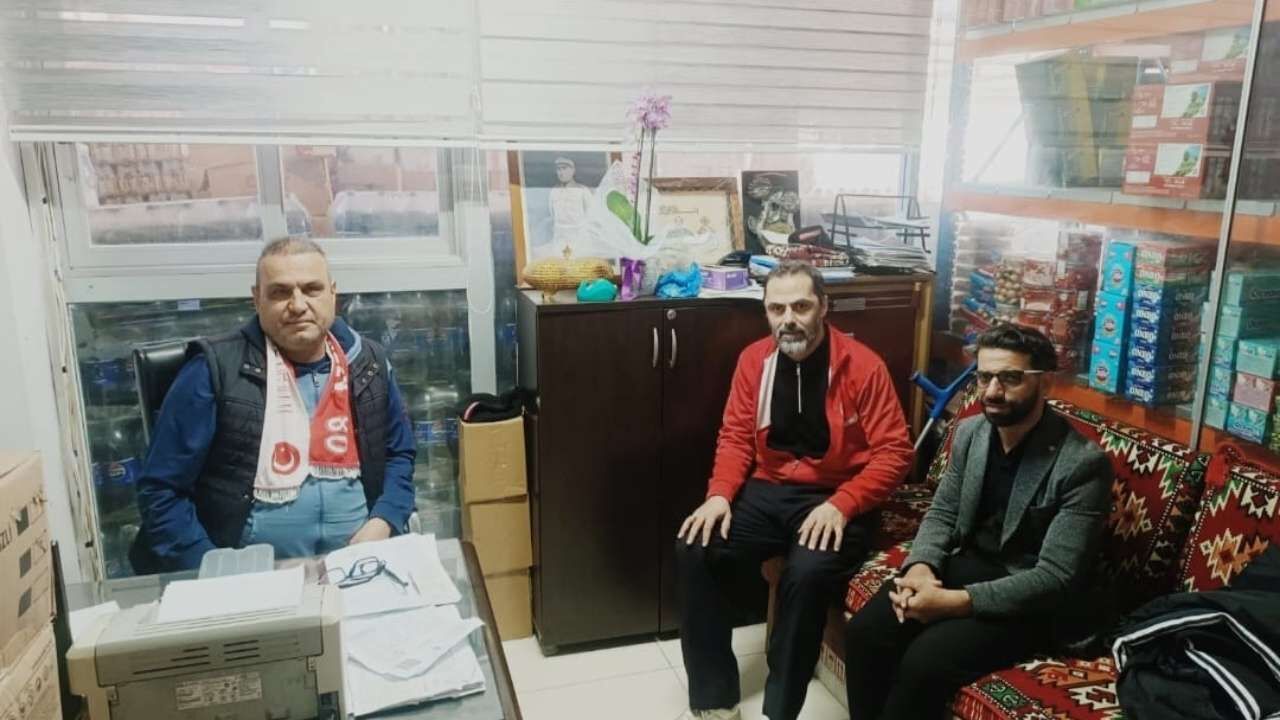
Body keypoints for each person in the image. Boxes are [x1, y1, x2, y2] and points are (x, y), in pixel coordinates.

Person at [676, 261, 915, 720]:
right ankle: (714, 699)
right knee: (695, 547)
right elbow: (735, 437)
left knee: (806, 576)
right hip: (769, 489)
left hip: (838, 496)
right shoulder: (753, 360)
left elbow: (894, 453)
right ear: (766, 312)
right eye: (777, 308)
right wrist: (720, 494)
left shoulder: (863, 365)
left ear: (824, 307)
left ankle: (780, 710)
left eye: (801, 306)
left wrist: (843, 504)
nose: (789, 319)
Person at [843, 324, 1113, 719]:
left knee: (924, 663)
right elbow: (943, 511)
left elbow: (1056, 577)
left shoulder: (1082, 465)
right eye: (984, 377)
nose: (992, 391)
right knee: (865, 634)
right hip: (966, 565)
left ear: (1045, 384)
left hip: (1031, 601)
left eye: (1010, 378)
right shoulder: (971, 433)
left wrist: (954, 604)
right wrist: (921, 568)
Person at [131, 236, 416, 572]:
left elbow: (399, 454)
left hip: (360, 563)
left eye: (312, 289)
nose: (297, 305)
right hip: (250, 577)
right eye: (280, 292)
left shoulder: (368, 363)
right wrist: (211, 568)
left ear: (333, 294)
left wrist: (384, 520)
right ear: (257, 299)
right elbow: (161, 490)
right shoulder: (213, 370)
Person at [548, 156, 593, 255]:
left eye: (564, 168)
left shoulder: (583, 191)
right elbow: (553, 214)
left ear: (573, 170)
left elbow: (591, 215)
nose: (561, 172)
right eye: (558, 169)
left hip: (579, 238)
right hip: (560, 238)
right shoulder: (553, 192)